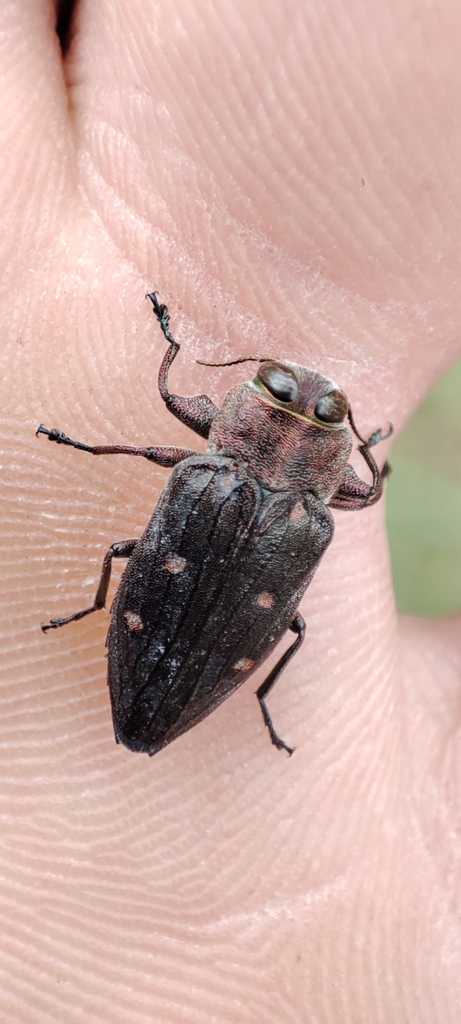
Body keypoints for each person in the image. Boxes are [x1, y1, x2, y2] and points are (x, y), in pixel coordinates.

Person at [1, 0, 460, 1018]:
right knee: (259, 612)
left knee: (140, 550)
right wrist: (367, 458)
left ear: (245, 421)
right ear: (329, 459)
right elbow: (351, 488)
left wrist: (160, 343)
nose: (300, 398)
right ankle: (230, 683)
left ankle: (123, 625)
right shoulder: (315, 516)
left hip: (176, 630)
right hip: (199, 646)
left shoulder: (212, 471)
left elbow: (163, 415)